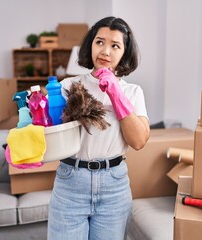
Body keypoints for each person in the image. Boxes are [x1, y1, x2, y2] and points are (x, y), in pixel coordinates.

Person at [47, 16, 150, 240]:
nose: (106, 51)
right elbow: (50, 131)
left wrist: (115, 92)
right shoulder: (68, 87)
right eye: (100, 42)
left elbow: (139, 141)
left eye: (115, 46)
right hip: (71, 182)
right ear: (91, 45)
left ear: (124, 52)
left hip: (114, 185)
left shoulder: (133, 92)